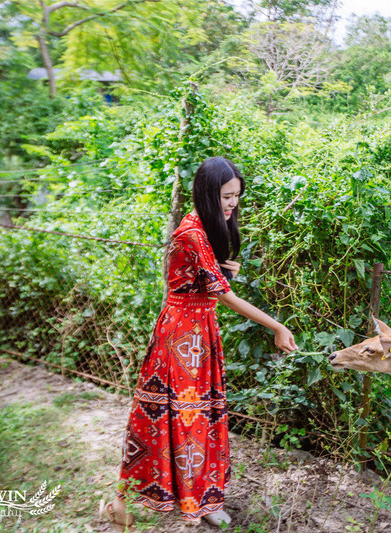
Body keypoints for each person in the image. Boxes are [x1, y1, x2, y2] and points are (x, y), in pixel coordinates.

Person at [101, 156, 297, 531]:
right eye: (226, 196)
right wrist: (276, 326)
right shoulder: (190, 232)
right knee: (163, 418)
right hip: (180, 337)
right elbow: (222, 296)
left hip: (199, 332)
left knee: (201, 417)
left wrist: (222, 270)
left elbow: (205, 283)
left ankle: (202, 498)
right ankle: (124, 502)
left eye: (236, 195)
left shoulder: (205, 230)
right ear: (208, 194)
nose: (232, 203)